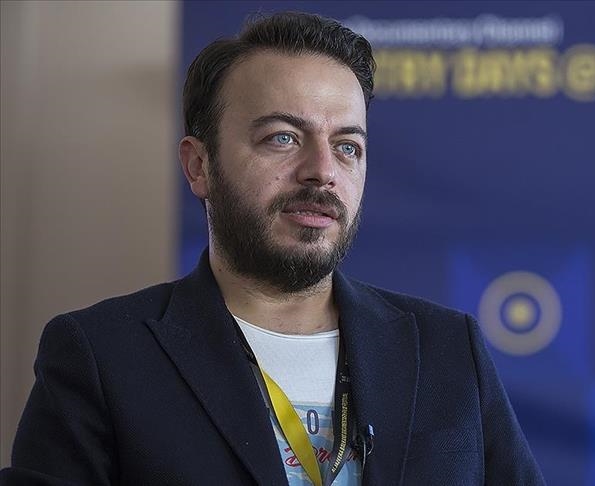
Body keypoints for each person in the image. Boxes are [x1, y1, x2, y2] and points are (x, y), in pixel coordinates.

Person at [1, 12, 545, 486]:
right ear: (199, 166)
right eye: (282, 137)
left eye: (347, 146)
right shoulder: (102, 356)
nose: (322, 171)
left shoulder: (448, 350)